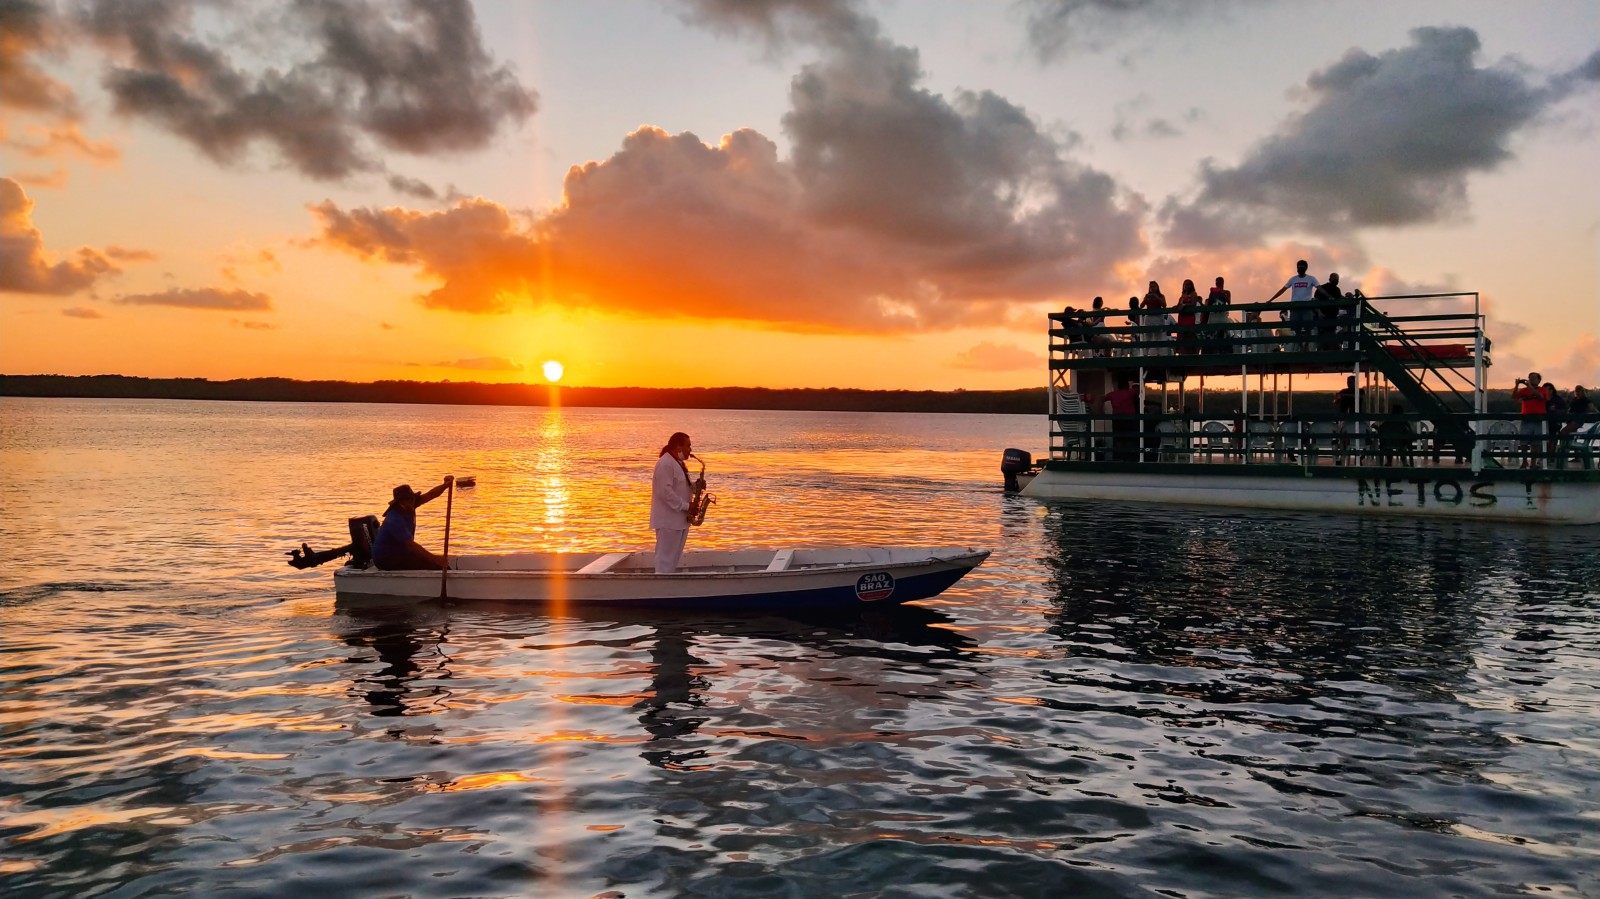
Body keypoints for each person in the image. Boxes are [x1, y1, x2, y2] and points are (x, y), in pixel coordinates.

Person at [371, 476, 454, 570]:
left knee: (435, 564)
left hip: (401, 552)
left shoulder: (411, 504)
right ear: (400, 502)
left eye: (411, 499)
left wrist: (445, 485)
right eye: (407, 500)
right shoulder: (394, 519)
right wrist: (434, 558)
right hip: (385, 558)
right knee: (432, 564)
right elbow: (410, 545)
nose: (411, 502)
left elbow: (431, 495)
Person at [651, 431, 699, 573]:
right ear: (678, 447)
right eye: (688, 446)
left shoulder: (677, 463)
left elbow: (680, 488)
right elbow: (665, 493)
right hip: (668, 522)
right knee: (665, 562)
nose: (690, 450)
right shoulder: (665, 464)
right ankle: (661, 589)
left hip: (678, 521)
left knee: (672, 560)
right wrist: (686, 506)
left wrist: (696, 486)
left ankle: (667, 589)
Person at [1266, 259, 1319, 351]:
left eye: (1301, 266)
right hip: (1295, 307)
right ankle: (1301, 347)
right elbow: (1283, 289)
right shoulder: (1293, 279)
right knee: (1296, 329)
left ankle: (1306, 346)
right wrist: (1271, 299)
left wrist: (1329, 296)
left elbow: (1319, 288)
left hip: (1306, 307)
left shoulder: (1311, 278)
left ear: (1306, 268)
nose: (1299, 268)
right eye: (1298, 267)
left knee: (1308, 328)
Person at [1512, 372, 1549, 469]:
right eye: (1530, 378)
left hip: (1538, 419)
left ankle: (1533, 463)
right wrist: (1516, 385)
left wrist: (1530, 387)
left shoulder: (1543, 390)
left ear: (1539, 380)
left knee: (1536, 443)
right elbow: (1514, 397)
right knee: (1523, 442)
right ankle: (1524, 462)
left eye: (1533, 378)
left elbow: (1541, 397)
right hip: (1526, 419)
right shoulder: (1524, 391)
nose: (1531, 380)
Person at [1104, 379, 1140, 462]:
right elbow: (1138, 389)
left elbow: (1102, 398)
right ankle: (1128, 457)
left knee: (1118, 439)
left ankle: (1120, 457)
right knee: (1129, 438)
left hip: (1117, 419)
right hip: (1128, 419)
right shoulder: (1129, 393)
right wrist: (1134, 384)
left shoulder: (1113, 394)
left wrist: (1099, 411)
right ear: (1127, 386)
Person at [1204, 276, 1232, 354]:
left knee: (1224, 334)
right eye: (1217, 281)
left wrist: (1221, 293)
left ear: (1223, 282)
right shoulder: (1212, 292)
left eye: (1219, 281)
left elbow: (1229, 302)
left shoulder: (1227, 292)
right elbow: (1209, 303)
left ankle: (1224, 352)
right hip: (1214, 315)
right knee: (1212, 334)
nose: (1218, 283)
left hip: (1222, 315)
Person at [1174, 279, 1202, 355]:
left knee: (1189, 335)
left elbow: (1193, 304)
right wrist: (1177, 307)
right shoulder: (1183, 294)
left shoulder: (1193, 293)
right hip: (1182, 317)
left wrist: (1184, 306)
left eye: (1188, 284)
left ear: (1191, 285)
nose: (1186, 286)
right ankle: (1182, 355)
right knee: (1181, 335)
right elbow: (1178, 305)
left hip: (1189, 317)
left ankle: (1190, 355)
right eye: (1185, 284)